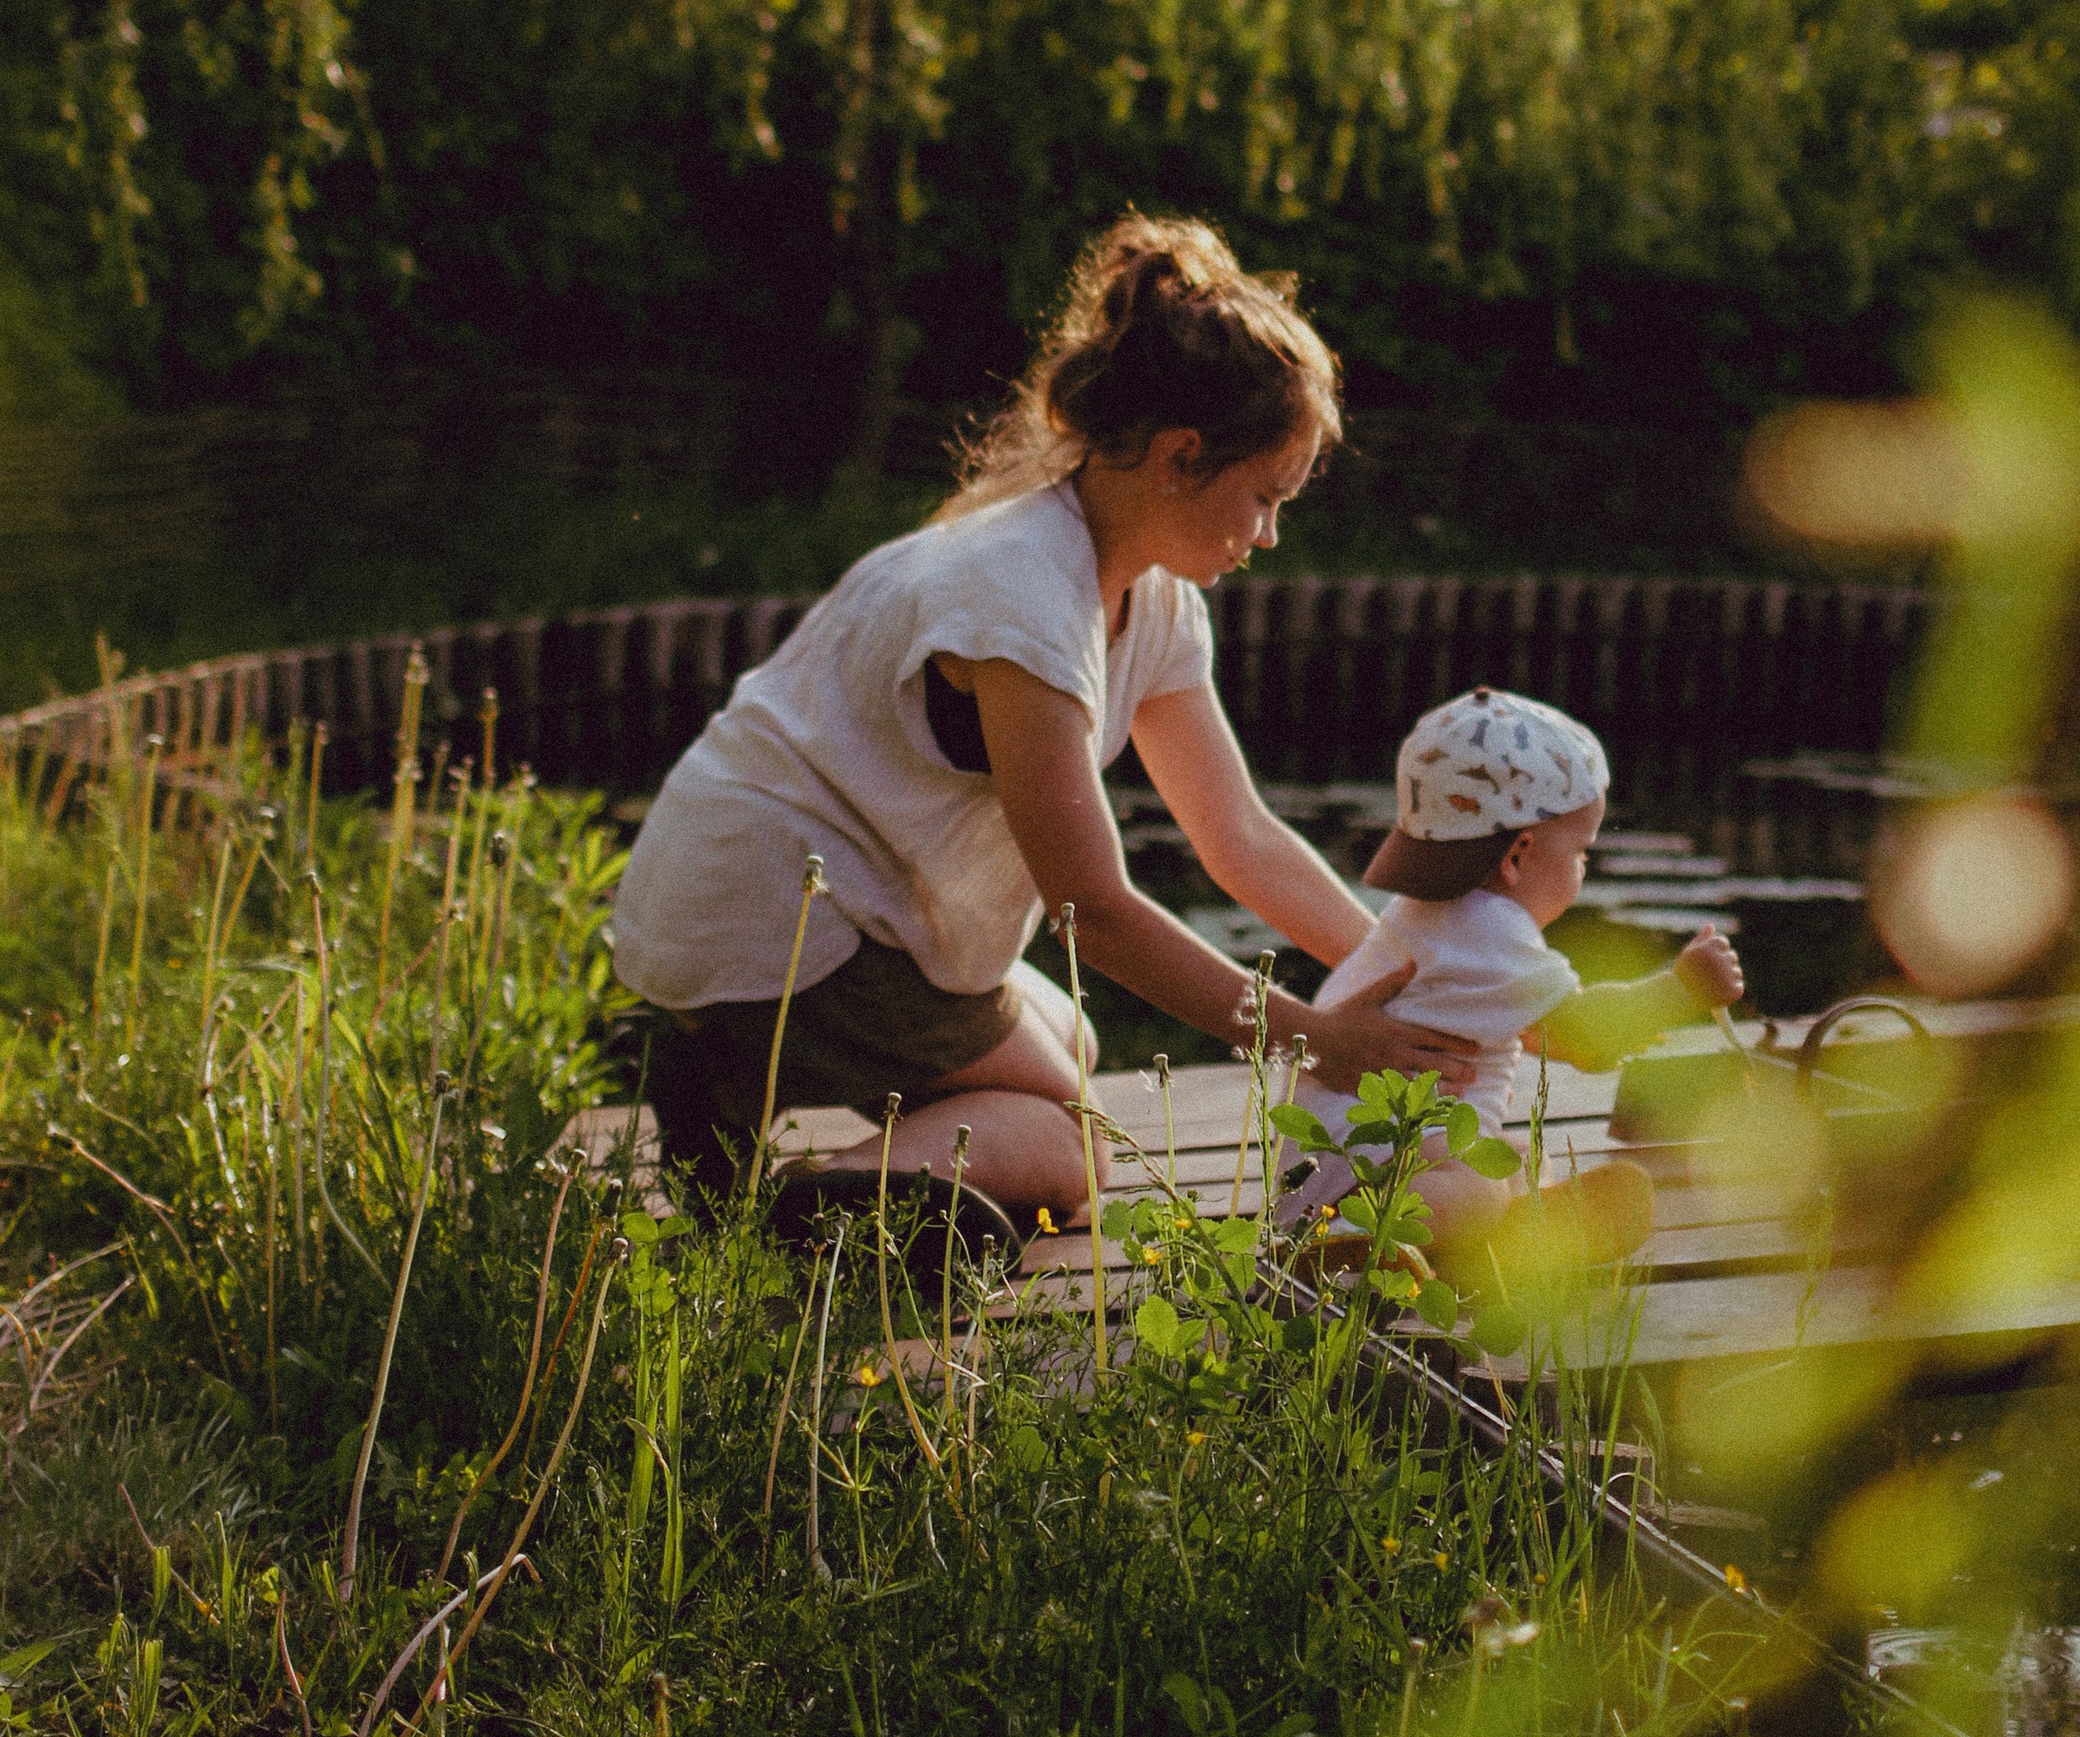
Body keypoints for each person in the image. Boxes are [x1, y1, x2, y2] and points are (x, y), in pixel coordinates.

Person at [609, 216, 1472, 1227]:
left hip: (802, 910)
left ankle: (724, 1091)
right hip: (771, 923)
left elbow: (1237, 833)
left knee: (1069, 1039)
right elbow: (1088, 908)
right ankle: (786, 1211)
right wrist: (1311, 1038)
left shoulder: (1150, 594)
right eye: (1263, 497)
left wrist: (1409, 972)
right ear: (1180, 456)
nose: (1271, 534)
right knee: (1072, 1152)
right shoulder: (1022, 597)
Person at [1280, 686, 1744, 1283]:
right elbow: (1582, 1037)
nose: (1582, 870)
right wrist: (1681, 991)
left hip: (1356, 1160)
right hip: (1357, 1173)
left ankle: (1486, 1242)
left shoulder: (1428, 915)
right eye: (1580, 853)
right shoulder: (1489, 930)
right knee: (1477, 1187)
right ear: (1517, 856)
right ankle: (1348, 1247)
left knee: (1517, 1160)